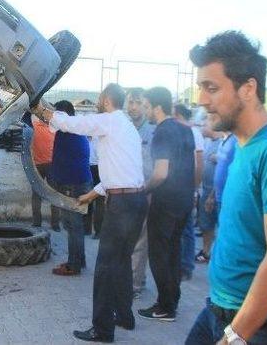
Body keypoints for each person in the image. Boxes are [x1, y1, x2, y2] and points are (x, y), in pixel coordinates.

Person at [185, 31, 267, 345]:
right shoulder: (242, 144)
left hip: (264, 328)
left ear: (248, 89)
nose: (201, 100)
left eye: (211, 88)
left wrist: (236, 336)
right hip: (220, 309)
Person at [32, 83, 146, 343]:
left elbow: (75, 125)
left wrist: (44, 112)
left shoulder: (109, 120)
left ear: (106, 99)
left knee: (105, 267)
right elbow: (120, 170)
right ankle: (125, 317)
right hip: (135, 200)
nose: (96, 102)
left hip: (122, 205)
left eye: (99, 98)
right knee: (121, 262)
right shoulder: (126, 126)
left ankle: (103, 330)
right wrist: (94, 193)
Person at [138, 87, 195, 322]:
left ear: (156, 107)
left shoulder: (162, 131)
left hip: (165, 202)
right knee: (173, 253)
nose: (145, 110)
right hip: (184, 201)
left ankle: (164, 307)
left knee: (160, 256)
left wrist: (144, 189)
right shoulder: (185, 129)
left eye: (146, 105)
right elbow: (196, 167)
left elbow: (161, 173)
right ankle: (172, 302)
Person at [47, 100, 93, 276]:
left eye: (54, 114)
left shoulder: (68, 128)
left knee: (72, 225)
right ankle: (79, 260)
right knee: (77, 226)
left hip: (72, 185)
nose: (52, 118)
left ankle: (73, 265)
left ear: (62, 116)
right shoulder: (75, 127)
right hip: (80, 182)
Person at [126, 87, 155, 299]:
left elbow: (158, 167)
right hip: (127, 193)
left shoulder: (152, 131)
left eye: (137, 103)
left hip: (146, 192)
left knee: (140, 240)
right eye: (130, 102)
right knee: (130, 239)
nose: (133, 107)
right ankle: (137, 279)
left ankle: (134, 286)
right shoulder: (125, 128)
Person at [174, 103, 204, 281]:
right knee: (180, 228)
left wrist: (195, 190)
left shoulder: (193, 133)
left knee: (186, 229)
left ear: (177, 115)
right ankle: (179, 263)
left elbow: (199, 163)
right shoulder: (179, 132)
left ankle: (186, 266)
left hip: (187, 189)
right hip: (176, 189)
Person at [194, 117, 223, 264]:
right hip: (205, 191)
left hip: (216, 193)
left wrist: (218, 158)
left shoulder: (224, 143)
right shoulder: (207, 142)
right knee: (206, 224)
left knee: (220, 224)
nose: (202, 127)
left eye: (205, 124)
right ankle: (206, 251)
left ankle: (218, 254)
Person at [29, 114, 60, 231]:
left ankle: (37, 222)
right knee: (53, 194)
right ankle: (55, 224)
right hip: (52, 165)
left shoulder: (33, 126)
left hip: (37, 165)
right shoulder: (55, 129)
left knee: (37, 194)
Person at [86, 135, 104, 239]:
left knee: (100, 203)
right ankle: (87, 229)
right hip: (87, 169)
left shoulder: (99, 139)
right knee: (88, 199)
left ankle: (99, 231)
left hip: (99, 169)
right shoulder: (83, 137)